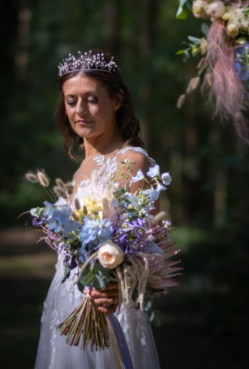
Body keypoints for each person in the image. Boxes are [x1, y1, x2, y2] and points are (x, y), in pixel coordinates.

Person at [34, 49, 161, 369]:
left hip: (108, 311)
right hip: (65, 304)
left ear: (117, 100)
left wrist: (122, 288)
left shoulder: (132, 162)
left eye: (92, 99)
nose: (80, 110)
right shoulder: (81, 168)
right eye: (71, 100)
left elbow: (157, 252)